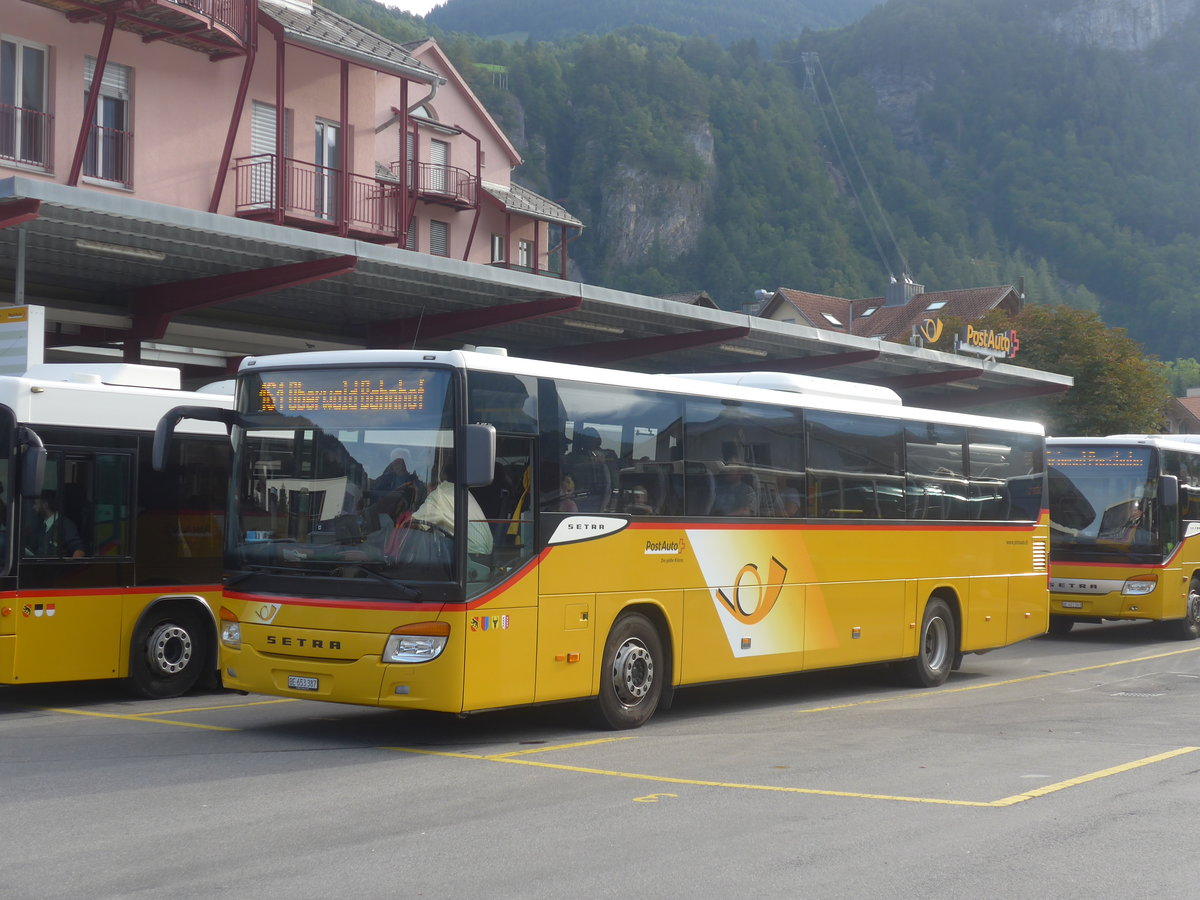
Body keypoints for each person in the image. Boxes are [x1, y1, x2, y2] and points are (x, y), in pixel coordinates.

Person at [411, 454, 493, 555]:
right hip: (484, 551)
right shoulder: (455, 489)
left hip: (470, 555)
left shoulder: (438, 496)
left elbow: (413, 524)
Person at [27, 491, 85, 558]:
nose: (33, 507)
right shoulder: (41, 526)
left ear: (45, 505)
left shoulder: (65, 525)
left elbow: (79, 551)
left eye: (36, 504)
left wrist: (68, 568)